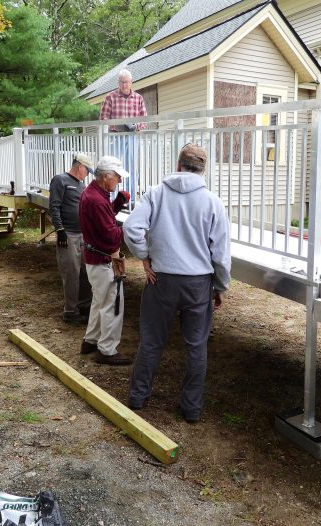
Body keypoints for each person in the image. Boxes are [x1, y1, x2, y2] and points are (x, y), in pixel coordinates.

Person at [123, 143, 231, 423]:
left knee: (151, 341)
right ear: (202, 169)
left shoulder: (155, 194)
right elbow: (220, 253)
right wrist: (219, 287)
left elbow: (131, 228)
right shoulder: (212, 202)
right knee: (196, 346)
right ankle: (191, 409)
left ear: (179, 165)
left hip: (161, 280)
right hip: (197, 284)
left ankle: (137, 397)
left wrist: (144, 257)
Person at [79, 155, 133, 366]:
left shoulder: (94, 194)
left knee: (99, 301)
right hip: (103, 260)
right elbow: (110, 235)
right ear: (106, 176)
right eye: (117, 177)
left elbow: (103, 220)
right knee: (112, 304)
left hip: (95, 259)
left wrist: (118, 203)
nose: (119, 181)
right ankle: (107, 350)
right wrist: (132, 227)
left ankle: (91, 341)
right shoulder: (96, 199)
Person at [48, 153, 94, 325]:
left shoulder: (81, 185)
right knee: (71, 273)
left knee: (84, 271)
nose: (87, 173)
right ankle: (70, 312)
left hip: (82, 235)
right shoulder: (60, 180)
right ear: (79, 166)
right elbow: (54, 205)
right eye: (87, 170)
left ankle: (84, 304)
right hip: (68, 234)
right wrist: (60, 230)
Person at [99, 69, 147, 198]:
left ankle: (129, 196)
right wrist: (118, 125)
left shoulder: (138, 98)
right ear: (118, 83)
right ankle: (112, 195)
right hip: (116, 136)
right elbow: (103, 119)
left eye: (127, 82)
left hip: (132, 136)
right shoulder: (110, 97)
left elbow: (144, 119)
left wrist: (136, 126)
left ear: (131, 82)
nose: (124, 85)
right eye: (122, 82)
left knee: (131, 166)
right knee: (113, 166)